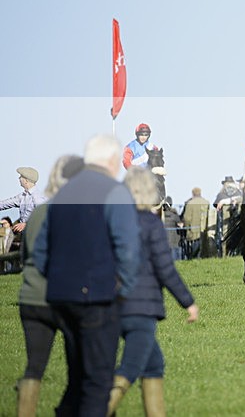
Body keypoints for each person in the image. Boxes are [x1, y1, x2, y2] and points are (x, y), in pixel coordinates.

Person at [33, 134, 141, 415]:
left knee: (76, 378)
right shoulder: (115, 192)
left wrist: (57, 281)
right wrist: (124, 291)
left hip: (61, 297)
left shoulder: (60, 196)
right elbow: (129, 251)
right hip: (98, 298)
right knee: (97, 383)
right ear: (112, 160)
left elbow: (40, 250)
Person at [107, 167, 198, 415]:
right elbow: (165, 269)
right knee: (130, 367)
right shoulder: (150, 223)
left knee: (154, 364)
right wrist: (188, 302)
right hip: (140, 308)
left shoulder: (112, 220)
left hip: (110, 305)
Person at [16, 155, 83, 416]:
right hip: (62, 297)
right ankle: (68, 410)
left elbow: (24, 258)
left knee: (34, 366)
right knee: (76, 362)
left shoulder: (37, 214)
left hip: (31, 297)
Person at [0, 166, 47, 234]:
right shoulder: (23, 196)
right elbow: (5, 204)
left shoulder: (38, 198)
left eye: (21, 177)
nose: (19, 178)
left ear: (26, 181)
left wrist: (26, 224)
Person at [181, 187, 210, 258]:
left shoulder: (190, 203)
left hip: (193, 230)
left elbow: (187, 218)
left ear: (193, 193)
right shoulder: (206, 202)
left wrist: (187, 228)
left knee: (193, 251)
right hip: (204, 229)